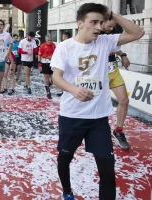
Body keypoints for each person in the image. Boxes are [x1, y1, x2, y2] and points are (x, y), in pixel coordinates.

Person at [51, 3, 144, 199]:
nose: (98, 27)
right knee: (65, 157)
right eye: (93, 22)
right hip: (72, 116)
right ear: (80, 23)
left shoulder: (105, 42)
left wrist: (112, 14)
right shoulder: (64, 47)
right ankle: (67, 191)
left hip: (99, 118)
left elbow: (138, 32)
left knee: (107, 169)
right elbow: (56, 77)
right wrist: (73, 89)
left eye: (101, 22)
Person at [102, 20, 131, 149]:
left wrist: (123, 54)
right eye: (110, 26)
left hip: (113, 70)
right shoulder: (95, 32)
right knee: (94, 103)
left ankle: (118, 131)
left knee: (124, 101)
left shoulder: (112, 33)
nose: (111, 29)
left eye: (113, 27)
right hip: (98, 73)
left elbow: (116, 47)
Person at [38, 34, 56, 99]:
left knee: (53, 79)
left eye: (51, 40)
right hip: (45, 62)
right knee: (46, 77)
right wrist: (39, 64)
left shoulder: (54, 45)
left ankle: (48, 85)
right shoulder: (42, 45)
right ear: (46, 40)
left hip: (52, 63)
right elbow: (39, 55)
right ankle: (48, 92)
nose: (50, 41)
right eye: (48, 40)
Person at [57, 32, 72, 97]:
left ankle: (65, 91)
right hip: (70, 64)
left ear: (65, 37)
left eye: (62, 36)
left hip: (65, 64)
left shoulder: (62, 44)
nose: (62, 37)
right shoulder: (73, 43)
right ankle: (64, 91)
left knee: (64, 78)